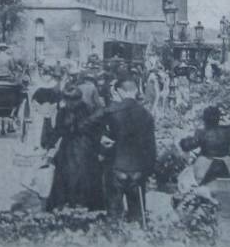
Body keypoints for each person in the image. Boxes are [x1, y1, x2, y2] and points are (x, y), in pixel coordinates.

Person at [96, 78, 157, 223]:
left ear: (120, 91)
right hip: (137, 169)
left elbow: (91, 124)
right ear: (136, 91)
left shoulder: (113, 112)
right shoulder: (146, 115)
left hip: (116, 166)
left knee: (114, 213)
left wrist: (100, 140)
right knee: (137, 214)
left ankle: (113, 238)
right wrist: (148, 171)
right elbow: (151, 147)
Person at [46, 87, 104, 212]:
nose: (69, 103)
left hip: (77, 147)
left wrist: (50, 144)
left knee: (72, 174)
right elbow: (97, 131)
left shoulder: (68, 111)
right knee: (82, 174)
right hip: (80, 147)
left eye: (70, 100)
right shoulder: (88, 110)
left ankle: (71, 203)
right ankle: (81, 203)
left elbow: (58, 131)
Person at [179, 105, 230, 188]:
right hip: (226, 166)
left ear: (204, 119)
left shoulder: (202, 133)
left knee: (187, 175)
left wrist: (183, 141)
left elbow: (187, 146)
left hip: (207, 166)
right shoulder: (227, 133)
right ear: (219, 119)